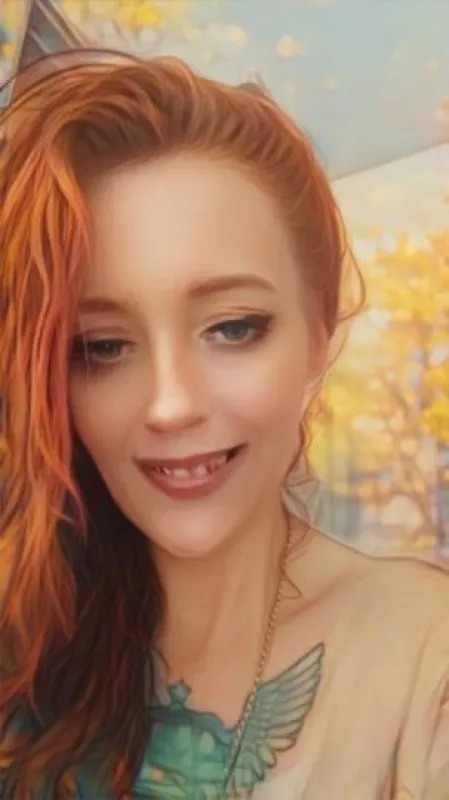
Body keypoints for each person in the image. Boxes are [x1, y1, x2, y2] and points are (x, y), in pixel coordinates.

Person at [1, 50, 449, 800]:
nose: (170, 404)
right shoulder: (26, 633)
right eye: (103, 346)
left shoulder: (423, 663)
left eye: (233, 328)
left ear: (319, 334)